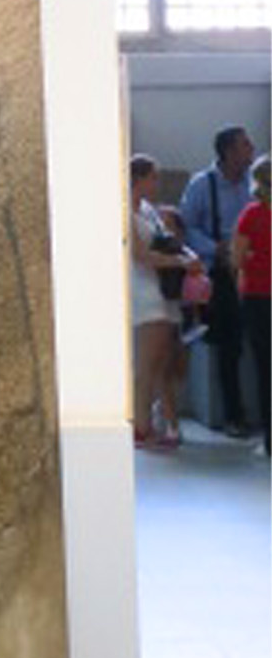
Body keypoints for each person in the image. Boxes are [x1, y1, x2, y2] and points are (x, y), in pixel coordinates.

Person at [180, 126, 256, 436]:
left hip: (256, 268)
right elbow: (187, 227)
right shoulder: (202, 184)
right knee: (230, 341)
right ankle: (234, 415)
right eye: (245, 145)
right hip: (221, 271)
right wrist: (217, 248)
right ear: (228, 151)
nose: (251, 150)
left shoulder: (255, 182)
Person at [130, 154, 198, 449]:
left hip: (163, 288)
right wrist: (179, 262)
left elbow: (168, 241)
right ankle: (140, 425)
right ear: (138, 179)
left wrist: (188, 257)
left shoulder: (148, 210)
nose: (157, 183)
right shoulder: (125, 212)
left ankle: (157, 422)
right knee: (146, 363)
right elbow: (140, 255)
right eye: (153, 177)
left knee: (162, 362)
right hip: (144, 289)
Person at [231, 152, 271, 457]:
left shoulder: (251, 215)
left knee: (265, 368)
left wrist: (252, 258)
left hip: (257, 297)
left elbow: (236, 259)